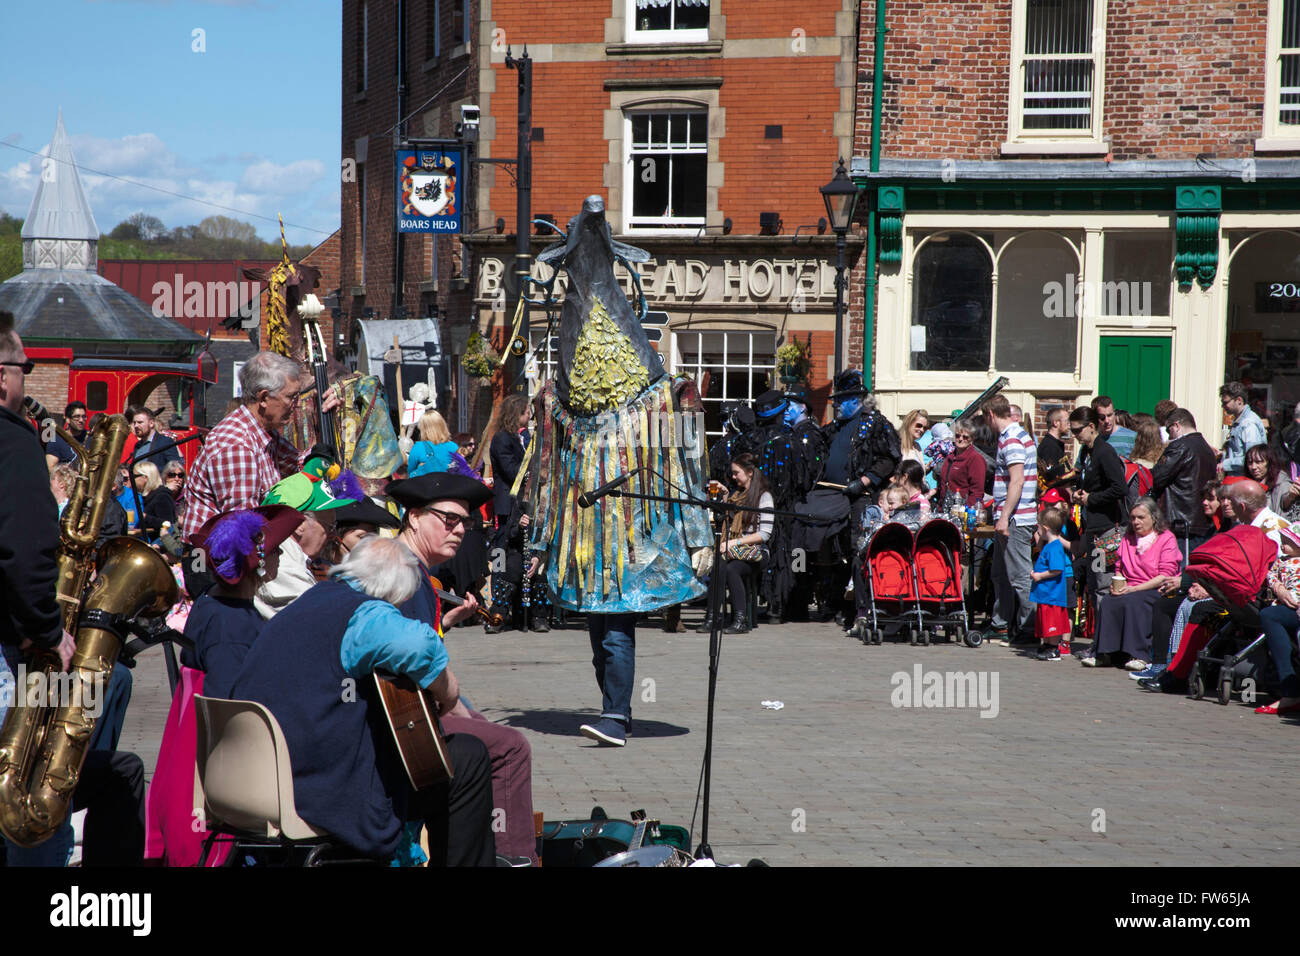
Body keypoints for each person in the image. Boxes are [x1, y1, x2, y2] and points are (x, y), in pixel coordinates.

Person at [229, 535, 496, 865]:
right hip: (316, 789)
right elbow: (420, 646)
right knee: (467, 757)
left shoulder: (315, 599)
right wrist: (449, 692)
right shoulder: (365, 614)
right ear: (395, 592)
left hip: (250, 780)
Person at [0, 312, 142, 867]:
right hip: (24, 654)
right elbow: (24, 553)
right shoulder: (12, 443)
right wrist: (50, 631)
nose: (28, 382)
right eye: (24, 368)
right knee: (33, 799)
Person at [386, 472, 538, 862]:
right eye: (448, 520)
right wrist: (450, 700)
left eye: (466, 523)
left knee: (480, 725)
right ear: (415, 517)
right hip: (400, 728)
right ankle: (513, 857)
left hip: (403, 712)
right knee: (511, 746)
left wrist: (446, 624)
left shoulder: (410, 570)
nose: (459, 531)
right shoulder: (405, 576)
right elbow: (414, 667)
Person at [181, 350, 340, 544]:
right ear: (264, 398)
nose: (296, 405)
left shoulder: (263, 431)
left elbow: (300, 468)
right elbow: (246, 529)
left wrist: (323, 422)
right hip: (217, 565)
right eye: (292, 397)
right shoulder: (237, 445)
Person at [822, 369, 901, 634]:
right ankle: (840, 606)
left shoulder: (876, 424)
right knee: (838, 550)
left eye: (841, 399)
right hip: (834, 496)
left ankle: (862, 613)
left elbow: (890, 457)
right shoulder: (837, 426)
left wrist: (865, 480)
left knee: (859, 551)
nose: (836, 404)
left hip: (860, 498)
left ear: (856, 399)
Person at [1082, 498, 1181, 669]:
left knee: (1136, 601)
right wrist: (1117, 584)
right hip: (1131, 586)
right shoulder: (1128, 538)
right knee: (1108, 601)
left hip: (1157, 586)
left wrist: (1134, 588)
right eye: (1133, 518)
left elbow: (1165, 574)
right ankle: (1104, 654)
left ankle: (1139, 654)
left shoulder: (1166, 538)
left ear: (1153, 517)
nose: (1136, 522)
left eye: (1141, 517)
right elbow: (1119, 566)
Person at [253, 458, 357, 618]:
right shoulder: (282, 568)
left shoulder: (290, 559)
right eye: (329, 526)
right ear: (299, 525)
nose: (333, 535)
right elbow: (323, 616)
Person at [698, 454, 774, 635]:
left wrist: (734, 542)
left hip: (756, 552)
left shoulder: (764, 497)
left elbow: (764, 534)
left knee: (732, 569)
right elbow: (727, 519)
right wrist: (724, 496)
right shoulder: (736, 496)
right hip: (735, 552)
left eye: (736, 473)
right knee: (719, 565)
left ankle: (740, 619)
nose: (733, 477)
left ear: (749, 473)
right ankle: (713, 617)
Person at [985, 395, 1037, 645]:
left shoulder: (1013, 438)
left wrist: (1005, 516)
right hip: (1009, 516)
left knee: (1019, 576)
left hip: (1016, 518)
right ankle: (1001, 624)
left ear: (991, 415)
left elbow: (1017, 481)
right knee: (1001, 573)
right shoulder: (1010, 437)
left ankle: (1030, 628)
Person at [1069, 405, 1129, 620]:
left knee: (1104, 585)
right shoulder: (1087, 452)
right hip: (1093, 529)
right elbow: (1089, 482)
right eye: (1072, 431)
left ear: (1091, 426)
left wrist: (1091, 499)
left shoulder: (1105, 452)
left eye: (1077, 430)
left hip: (1108, 530)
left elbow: (1119, 488)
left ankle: (1106, 645)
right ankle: (1099, 643)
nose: (1074, 435)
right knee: (1094, 584)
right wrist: (1079, 493)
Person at [479, 393, 532, 632]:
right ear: (516, 414)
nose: (529, 415)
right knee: (501, 558)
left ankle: (522, 612)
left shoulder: (525, 438)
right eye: (526, 411)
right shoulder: (502, 439)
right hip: (505, 509)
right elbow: (513, 472)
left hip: (524, 508)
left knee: (521, 557)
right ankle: (498, 612)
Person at [1150, 408, 1219, 563]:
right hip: (1200, 522)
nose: (1168, 436)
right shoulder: (1207, 448)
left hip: (1181, 523)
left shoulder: (1179, 446)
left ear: (1176, 426)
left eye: (1169, 430)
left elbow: (1156, 477)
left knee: (1178, 573)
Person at [1253, 526, 1300, 716]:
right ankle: (1289, 689)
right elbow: (1269, 575)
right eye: (1283, 541)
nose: (1284, 546)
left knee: (1269, 615)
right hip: (1288, 605)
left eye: (1289, 543)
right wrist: (1279, 587)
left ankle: (1291, 690)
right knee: (1270, 614)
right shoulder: (1281, 563)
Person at [1030, 508, 1074, 661]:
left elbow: (1057, 569)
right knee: (1046, 621)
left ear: (1045, 528)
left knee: (1052, 622)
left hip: (1052, 594)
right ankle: (1048, 645)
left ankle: (1054, 648)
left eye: (1038, 527)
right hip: (1046, 593)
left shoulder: (1055, 547)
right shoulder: (1049, 545)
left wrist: (1039, 575)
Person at [1220, 381, 1266, 477]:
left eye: (1225, 402)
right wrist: (1223, 455)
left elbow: (1253, 458)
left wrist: (1225, 464)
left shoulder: (1248, 424)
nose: (1222, 406)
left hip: (1244, 483)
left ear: (1239, 400)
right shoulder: (1240, 422)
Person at [937, 419, 987, 508]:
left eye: (965, 437)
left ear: (972, 439)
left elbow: (977, 492)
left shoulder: (975, 459)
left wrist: (966, 511)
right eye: (957, 436)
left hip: (964, 511)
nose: (960, 439)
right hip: (946, 510)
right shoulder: (950, 457)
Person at [1245, 443, 1296, 516]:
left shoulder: (1282, 485)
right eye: (1250, 463)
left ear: (1269, 463)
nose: (1254, 467)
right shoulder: (1247, 486)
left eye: (1258, 462)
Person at [407, 408, 459, 478]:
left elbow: (410, 470)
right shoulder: (453, 447)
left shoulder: (418, 447)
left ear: (423, 429)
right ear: (442, 425)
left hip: (425, 487)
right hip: (448, 486)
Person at [128, 406, 182, 472]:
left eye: (140, 422)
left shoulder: (165, 442)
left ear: (151, 423)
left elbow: (174, 468)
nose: (136, 426)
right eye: (134, 423)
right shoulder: (138, 445)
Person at [1037, 407, 1073, 492]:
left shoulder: (1056, 444)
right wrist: (1070, 494)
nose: (1069, 425)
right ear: (1056, 423)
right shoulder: (1049, 446)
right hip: (1053, 500)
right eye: (1066, 421)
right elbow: (1054, 478)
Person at [44, 401, 88, 471]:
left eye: (84, 416)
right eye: (77, 417)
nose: (81, 420)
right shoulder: (57, 441)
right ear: (68, 419)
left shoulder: (91, 438)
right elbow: (50, 469)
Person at [1091, 396, 1136, 460]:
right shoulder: (1092, 439)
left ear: (1114, 413)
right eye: (1102, 417)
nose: (1107, 421)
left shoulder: (1131, 437)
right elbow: (1079, 468)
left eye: (1109, 415)